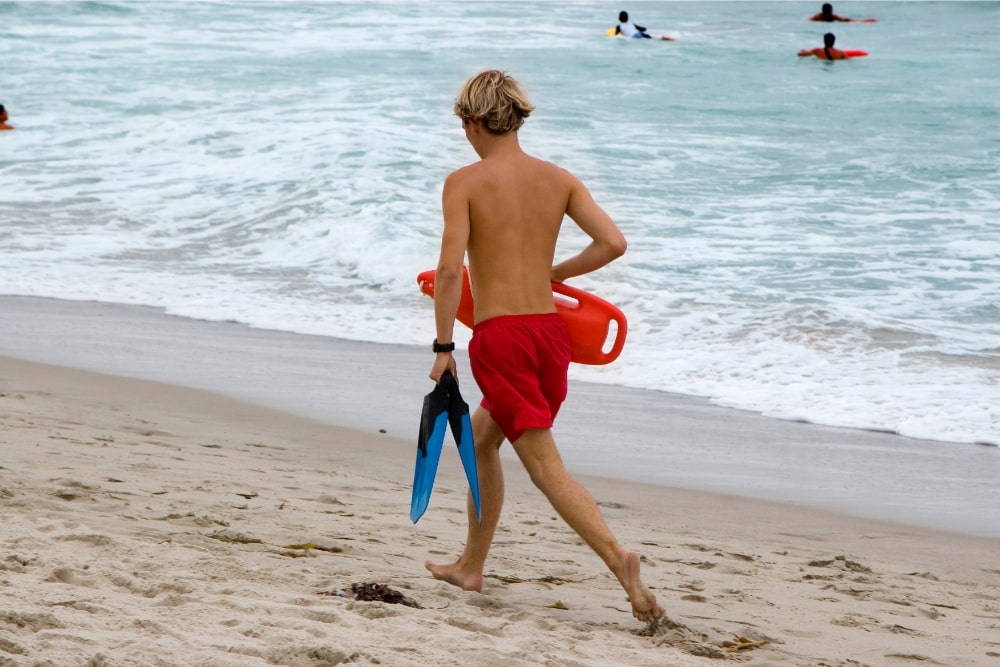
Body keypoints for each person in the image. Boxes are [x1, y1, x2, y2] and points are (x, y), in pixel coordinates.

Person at [423, 69, 663, 626]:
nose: (464, 134)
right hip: (550, 338)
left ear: (476, 121)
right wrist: (554, 272)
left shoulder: (465, 182)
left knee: (544, 465)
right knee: (482, 441)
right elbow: (613, 243)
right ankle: (470, 566)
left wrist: (442, 346)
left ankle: (618, 558)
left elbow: (449, 271)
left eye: (464, 123)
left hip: (502, 338)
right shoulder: (559, 179)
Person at [809, 3, 876, 22]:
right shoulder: (817, 17)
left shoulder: (832, 16)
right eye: (830, 10)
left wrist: (862, 21)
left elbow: (845, 20)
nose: (832, 11)